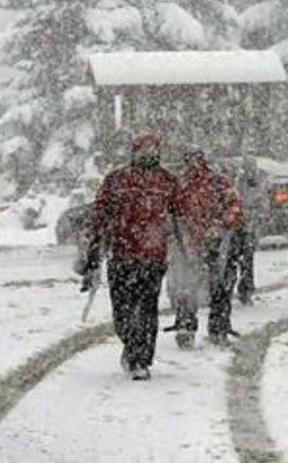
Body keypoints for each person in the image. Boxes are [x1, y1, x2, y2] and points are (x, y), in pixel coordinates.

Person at [82, 133, 178, 381]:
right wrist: (93, 252)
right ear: (134, 152)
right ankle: (130, 343)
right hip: (122, 256)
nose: (149, 154)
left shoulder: (167, 181)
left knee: (147, 310)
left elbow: (180, 217)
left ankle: (141, 359)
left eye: (153, 149)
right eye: (144, 149)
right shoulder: (117, 180)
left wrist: (189, 246)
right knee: (122, 313)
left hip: (153, 258)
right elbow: (100, 216)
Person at [169, 149, 243, 347]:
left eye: (195, 160)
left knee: (218, 287)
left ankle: (214, 328)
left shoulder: (217, 182)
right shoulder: (181, 185)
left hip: (215, 245)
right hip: (191, 245)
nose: (192, 165)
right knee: (189, 288)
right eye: (189, 161)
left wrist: (220, 226)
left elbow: (235, 207)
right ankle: (189, 327)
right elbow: (173, 214)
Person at [232, 156, 265, 305]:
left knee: (245, 260)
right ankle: (244, 288)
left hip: (246, 227)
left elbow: (261, 202)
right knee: (242, 260)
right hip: (240, 226)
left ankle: (245, 289)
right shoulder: (239, 181)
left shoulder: (255, 182)